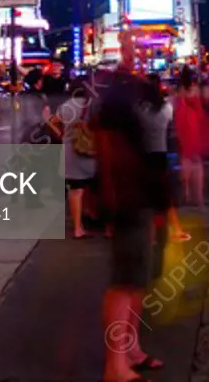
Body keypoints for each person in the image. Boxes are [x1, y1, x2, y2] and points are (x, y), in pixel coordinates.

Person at [95, 41, 161, 382]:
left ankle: (130, 350)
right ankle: (115, 365)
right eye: (130, 49)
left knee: (138, 279)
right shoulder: (115, 100)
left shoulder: (131, 95)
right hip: (127, 198)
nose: (137, 55)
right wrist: (112, 198)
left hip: (142, 195)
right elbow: (107, 149)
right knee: (124, 282)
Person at [139, 73, 191, 244]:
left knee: (148, 198)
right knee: (164, 197)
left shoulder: (139, 109)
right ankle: (174, 230)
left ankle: (152, 234)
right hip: (160, 154)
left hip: (144, 155)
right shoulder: (166, 108)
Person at [52, 79, 97, 238]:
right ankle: (106, 226)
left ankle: (78, 228)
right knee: (96, 188)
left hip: (71, 152)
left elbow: (52, 122)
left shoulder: (66, 106)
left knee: (75, 191)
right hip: (92, 151)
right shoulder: (93, 105)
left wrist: (62, 134)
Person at [174, 66, 209, 209]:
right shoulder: (196, 90)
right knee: (197, 163)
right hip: (195, 124)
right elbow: (206, 105)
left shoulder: (180, 92)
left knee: (186, 160)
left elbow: (175, 106)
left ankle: (187, 193)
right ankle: (199, 199)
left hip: (183, 124)